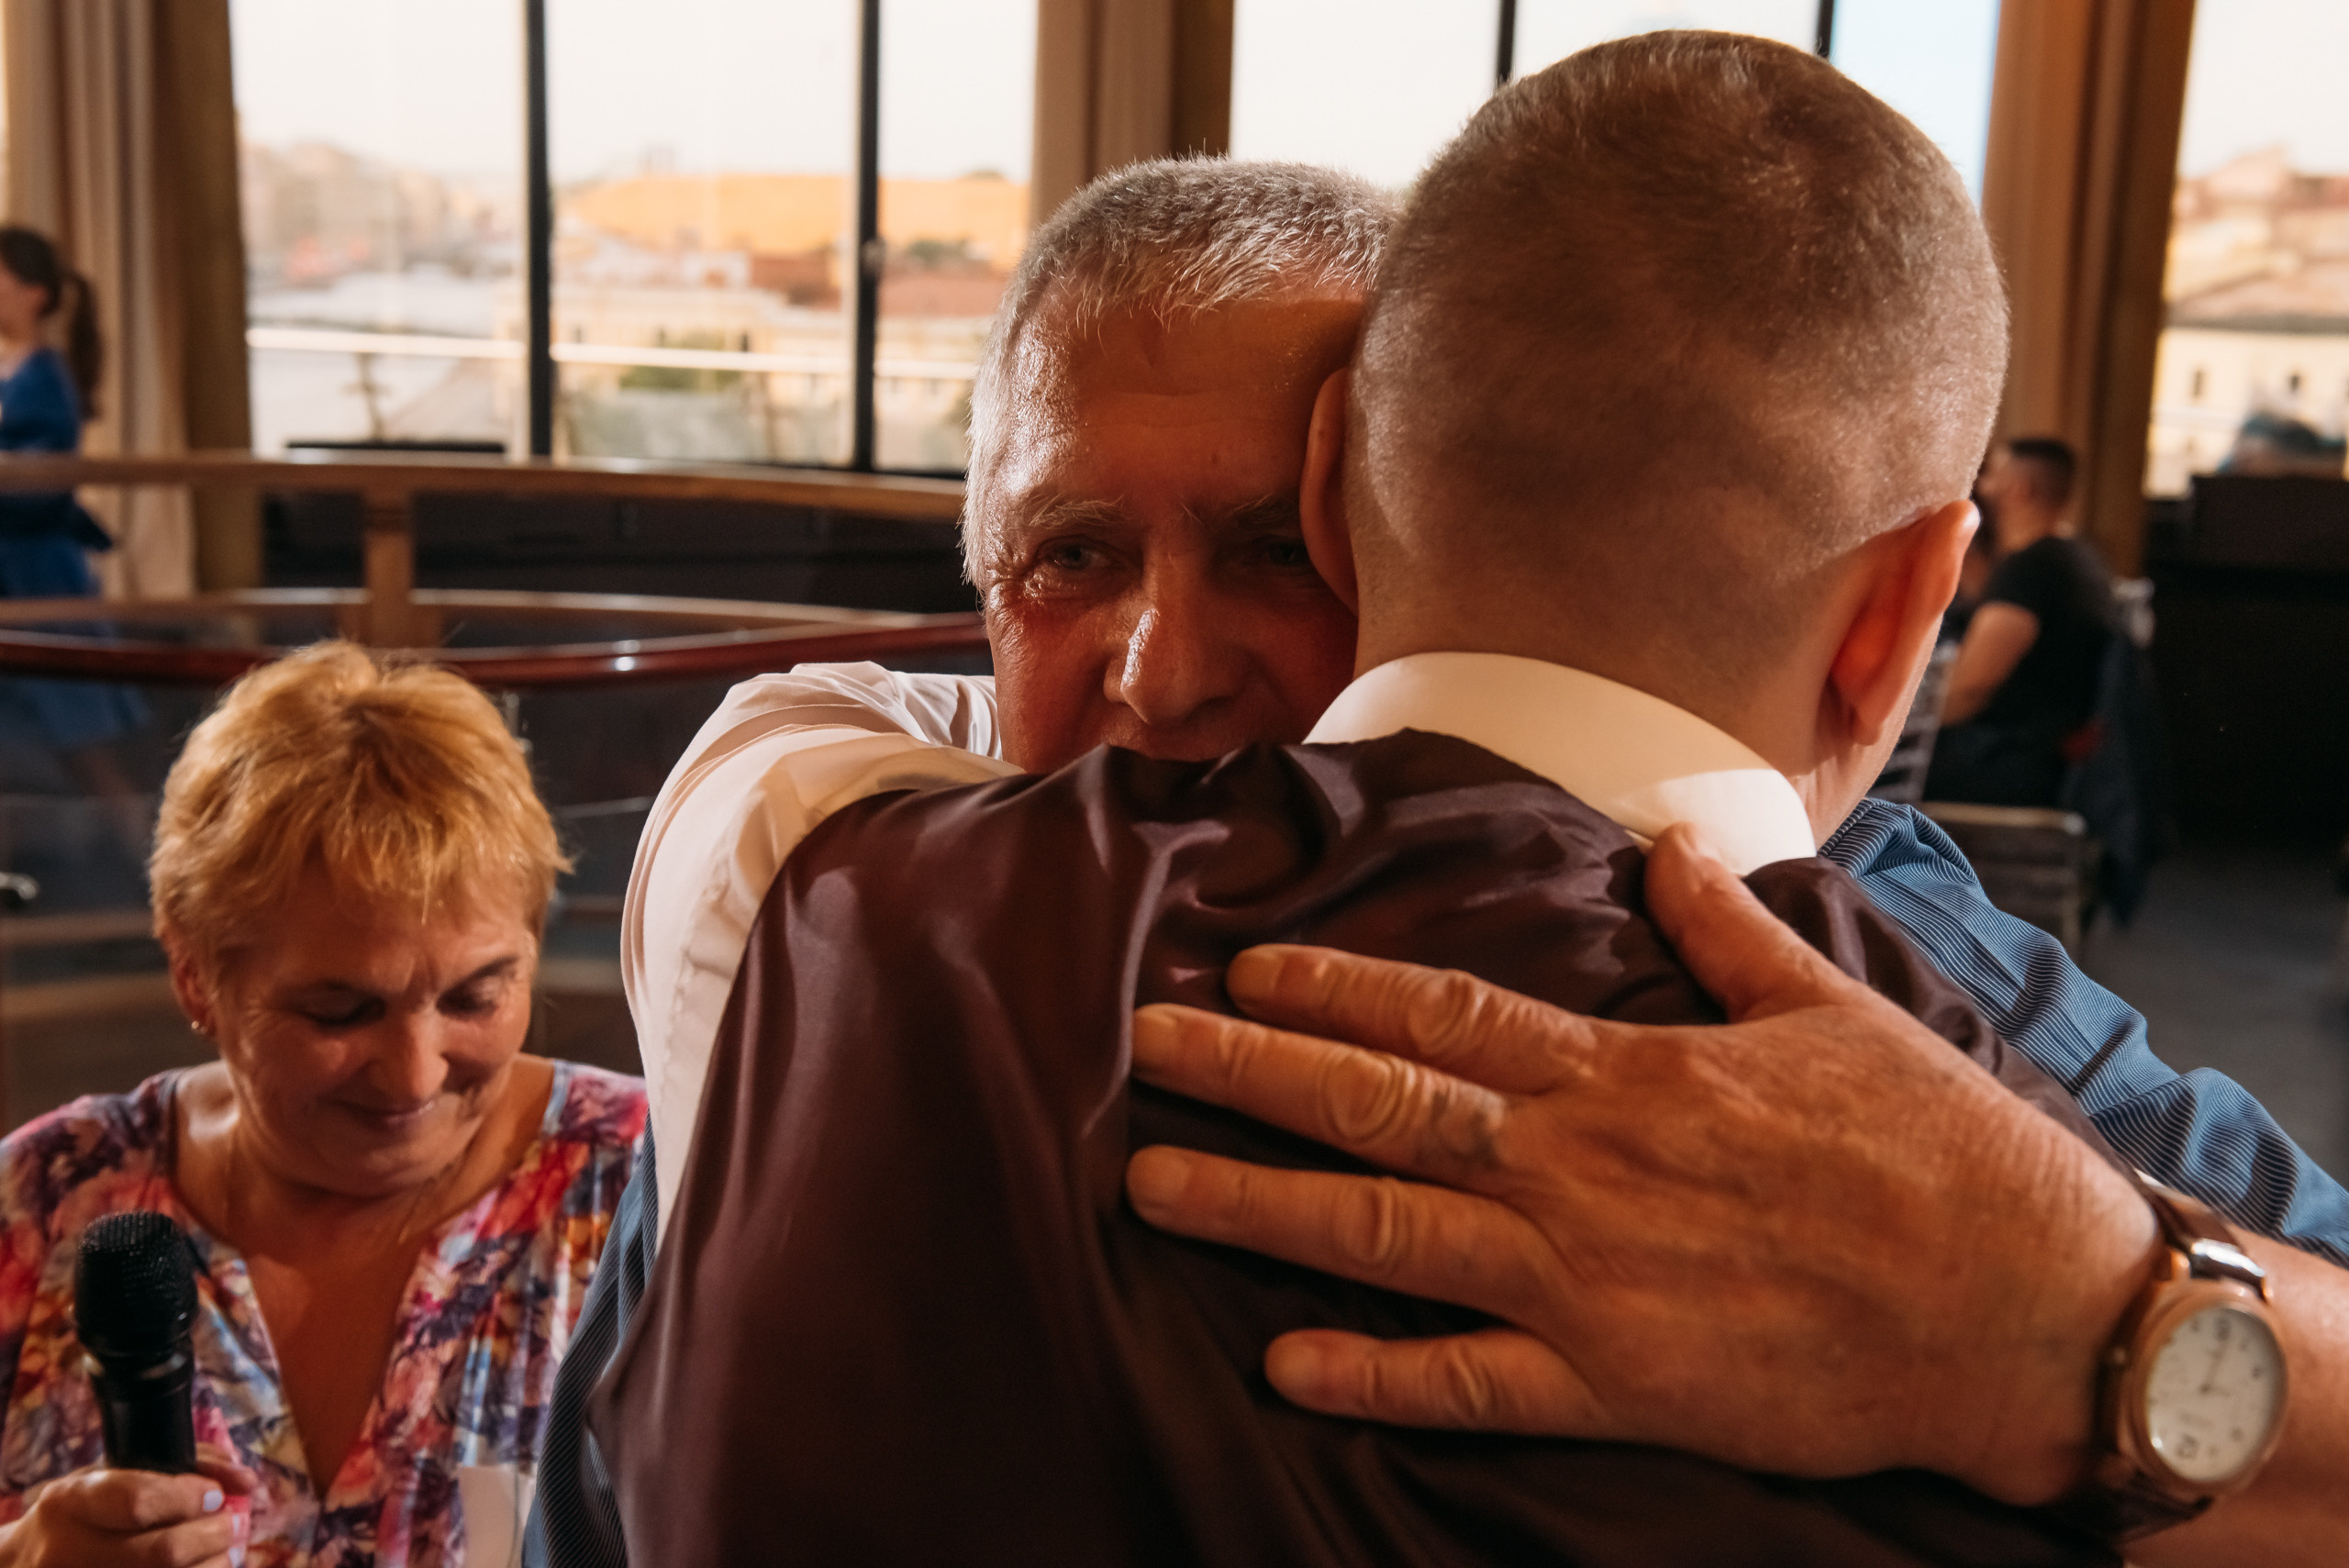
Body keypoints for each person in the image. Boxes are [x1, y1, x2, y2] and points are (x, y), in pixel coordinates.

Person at [579, 34, 2349, 1562]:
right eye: (1068, 554)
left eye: (1272, 547)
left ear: (1375, 511)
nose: (1163, 669)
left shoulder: (1901, 980)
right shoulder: (829, 884)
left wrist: (2090, 1308)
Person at [0, 642, 646, 1567]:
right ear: (194, 972)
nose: (415, 1074)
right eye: (340, 1010)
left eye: (474, 996)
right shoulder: (42, 1198)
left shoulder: (646, 1190)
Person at [0, 227, 148, 830]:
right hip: (14, 563)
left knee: (78, 736)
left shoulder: (45, 376)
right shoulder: (13, 368)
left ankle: (143, 867)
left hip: (33, 570)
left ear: (32, 293)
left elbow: (44, 483)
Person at [1926, 437, 2117, 806]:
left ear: (2020, 489)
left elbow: (1972, 688)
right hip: (2055, 767)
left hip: (2007, 767)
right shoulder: (2084, 561)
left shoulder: (2030, 568)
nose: (1982, 486)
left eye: (1993, 476)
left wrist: (1894, 731)